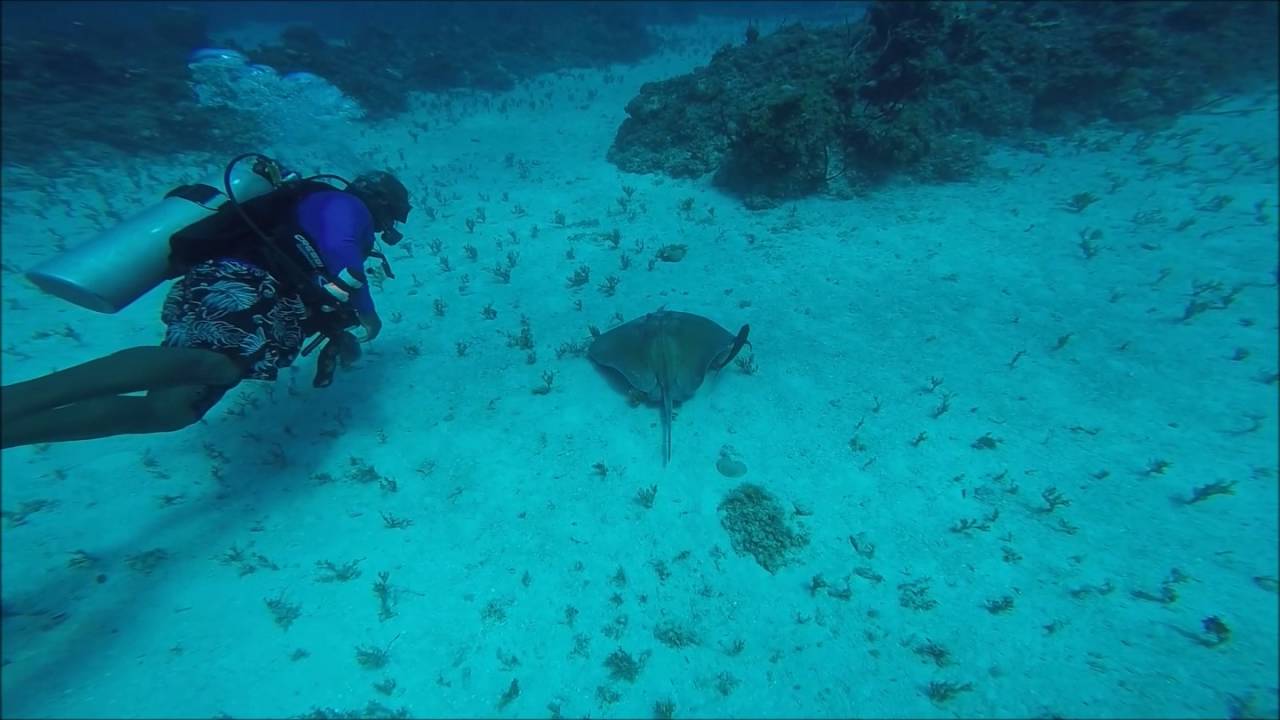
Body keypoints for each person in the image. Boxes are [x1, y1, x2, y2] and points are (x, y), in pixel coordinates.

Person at [0, 168, 412, 450]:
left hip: (240, 287)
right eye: (390, 218)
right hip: (245, 281)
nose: (382, 229)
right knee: (213, 364)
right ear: (382, 204)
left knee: (172, 409)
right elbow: (341, 253)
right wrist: (366, 310)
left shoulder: (318, 211)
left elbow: (320, 286)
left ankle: (12, 430)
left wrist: (341, 335)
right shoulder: (344, 205)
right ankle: (16, 400)